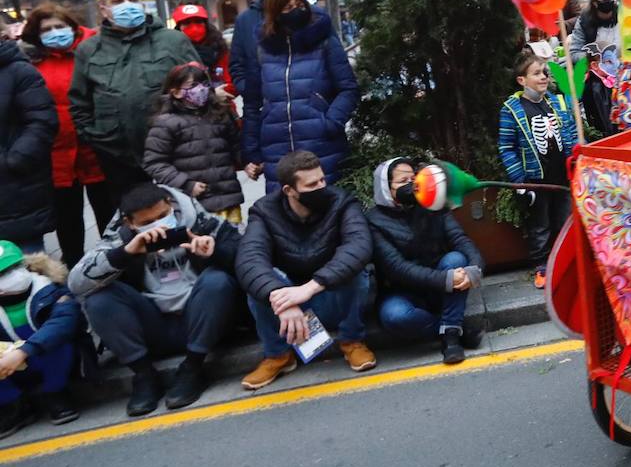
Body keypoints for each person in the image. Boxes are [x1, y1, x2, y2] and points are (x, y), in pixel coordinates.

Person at [69, 182, 242, 415]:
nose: (158, 226)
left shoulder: (203, 223)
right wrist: (125, 254)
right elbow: (76, 283)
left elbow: (248, 254)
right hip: (153, 325)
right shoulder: (121, 238)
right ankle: (144, 376)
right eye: (147, 223)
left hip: (202, 321)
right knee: (99, 299)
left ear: (171, 206)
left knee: (217, 281)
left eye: (162, 216)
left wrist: (215, 253)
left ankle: (192, 369)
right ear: (130, 223)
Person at [235, 149, 375, 390]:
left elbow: (359, 246)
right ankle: (278, 355)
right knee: (262, 282)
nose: (322, 186)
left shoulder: (341, 202)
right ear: (289, 190)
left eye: (322, 179)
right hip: (288, 307)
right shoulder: (264, 211)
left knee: (357, 270)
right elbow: (249, 259)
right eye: (312, 184)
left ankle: (352, 341)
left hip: (329, 294)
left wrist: (310, 288)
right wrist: (283, 298)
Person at [68, 0, 198, 197]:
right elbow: (80, 103)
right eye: (118, 1)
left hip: (177, 151)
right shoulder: (88, 50)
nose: (127, 5)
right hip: (118, 156)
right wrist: (97, 138)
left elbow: (199, 90)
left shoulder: (173, 40)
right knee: (138, 223)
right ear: (104, 9)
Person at [241, 0, 358, 192]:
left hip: (322, 147)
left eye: (299, 5)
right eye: (287, 8)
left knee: (330, 212)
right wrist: (252, 153)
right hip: (276, 149)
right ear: (274, 12)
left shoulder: (324, 42)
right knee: (285, 214)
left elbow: (348, 88)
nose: (295, 12)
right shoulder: (262, 50)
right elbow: (251, 104)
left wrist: (330, 123)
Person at [20, 4, 114, 266]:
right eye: (47, 29)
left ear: (72, 27)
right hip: (57, 154)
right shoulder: (32, 63)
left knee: (108, 215)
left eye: (59, 26)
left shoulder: (93, 51)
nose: (54, 33)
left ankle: (115, 266)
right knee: (68, 221)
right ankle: (73, 269)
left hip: (96, 147)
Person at [368, 158, 485, 364]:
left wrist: (475, 269)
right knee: (394, 316)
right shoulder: (373, 221)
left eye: (414, 178)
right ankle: (454, 330)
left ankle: (450, 336)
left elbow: (460, 239)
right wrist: (445, 279)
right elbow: (396, 268)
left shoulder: (432, 205)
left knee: (456, 258)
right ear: (386, 187)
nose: (412, 184)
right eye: (403, 180)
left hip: (441, 285)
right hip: (403, 290)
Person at [499, 51, 577, 289]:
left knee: (565, 221)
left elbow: (571, 133)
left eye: (544, 72)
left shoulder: (556, 101)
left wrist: (577, 161)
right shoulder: (511, 110)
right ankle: (542, 266)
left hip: (562, 176)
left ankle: (567, 263)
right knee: (540, 225)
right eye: (536, 73)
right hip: (535, 180)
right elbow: (506, 147)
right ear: (522, 80)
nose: (543, 77)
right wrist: (520, 182)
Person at [143, 62, 245, 223]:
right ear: (176, 92)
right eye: (193, 85)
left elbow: (236, 146)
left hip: (227, 199)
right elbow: (155, 163)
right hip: (193, 204)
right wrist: (186, 184)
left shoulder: (219, 115)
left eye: (204, 84)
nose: (202, 89)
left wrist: (248, 163)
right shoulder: (166, 123)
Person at [0, 243, 83, 436]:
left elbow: (62, 325)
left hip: (54, 362)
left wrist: (23, 352)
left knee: (58, 341)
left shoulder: (52, 289)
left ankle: (56, 394)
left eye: (13, 268)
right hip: (9, 368)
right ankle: (12, 404)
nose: (10, 276)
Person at [0, 29, 58, 254]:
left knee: (28, 272)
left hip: (14, 193)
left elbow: (42, 123)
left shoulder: (18, 71)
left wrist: (13, 162)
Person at [228, 0, 288, 105]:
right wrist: (253, 94)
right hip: (265, 109)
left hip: (309, 109)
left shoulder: (311, 14)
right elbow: (237, 67)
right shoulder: (245, 21)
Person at [569, 0, 619, 135]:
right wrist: (592, 57)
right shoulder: (584, 22)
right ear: (595, 2)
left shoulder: (626, 16)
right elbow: (573, 53)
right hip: (600, 80)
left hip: (626, 74)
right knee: (597, 91)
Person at [170, 4, 235, 98]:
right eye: (187, 23)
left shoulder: (219, 49)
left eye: (198, 22)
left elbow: (233, 80)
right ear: (179, 27)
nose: (194, 27)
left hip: (222, 107)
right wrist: (210, 95)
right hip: (188, 109)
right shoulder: (173, 52)